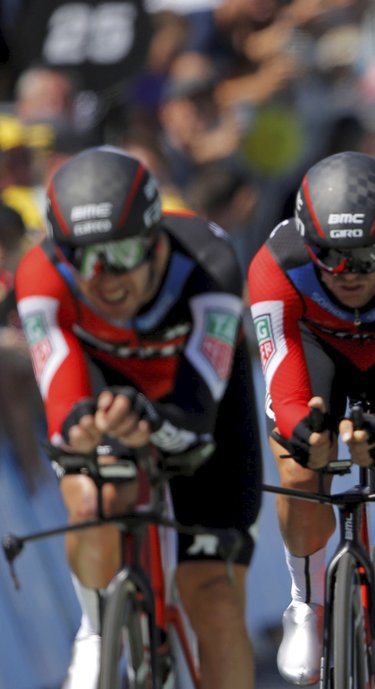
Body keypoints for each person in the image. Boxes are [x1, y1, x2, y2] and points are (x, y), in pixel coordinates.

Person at [14, 145, 262, 689]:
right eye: (85, 257)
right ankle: (97, 624)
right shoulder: (39, 277)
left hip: (198, 403)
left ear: (155, 241)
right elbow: (63, 404)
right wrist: (79, 432)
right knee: (92, 496)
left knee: (214, 596)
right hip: (108, 390)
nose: (105, 278)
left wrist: (151, 423)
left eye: (122, 253)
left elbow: (196, 416)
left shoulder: (208, 263)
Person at [247, 151, 375, 688]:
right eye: (330, 257)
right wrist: (305, 436)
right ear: (306, 242)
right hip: (316, 357)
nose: (347, 275)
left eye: (365, 257)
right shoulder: (275, 261)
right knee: (298, 469)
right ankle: (304, 602)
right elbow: (284, 387)